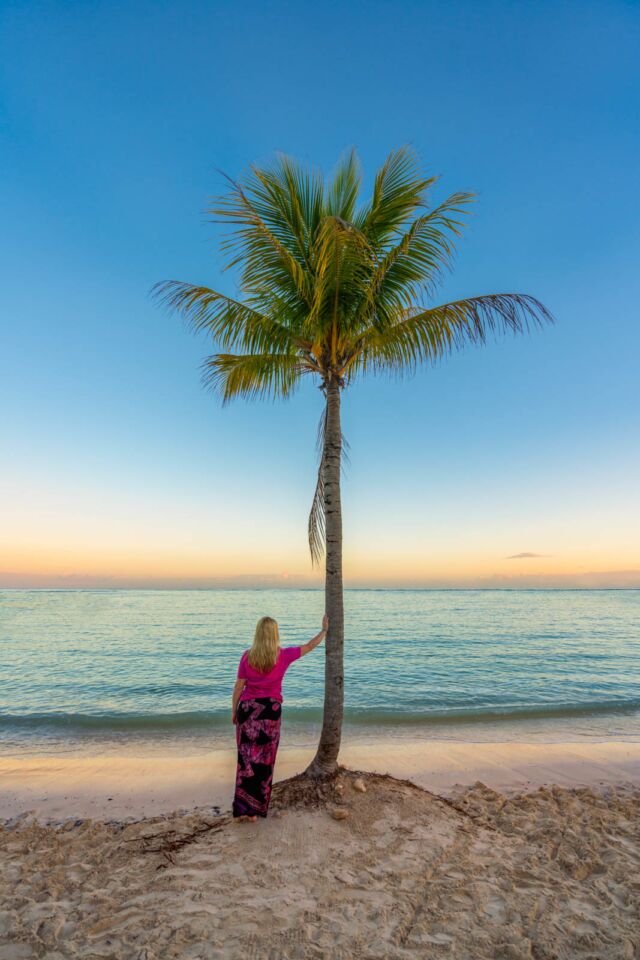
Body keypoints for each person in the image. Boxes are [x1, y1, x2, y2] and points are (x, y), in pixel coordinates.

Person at [231, 613, 328, 821]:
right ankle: (255, 811)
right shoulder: (282, 655)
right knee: (264, 761)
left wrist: (234, 711)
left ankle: (242, 809)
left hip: (248, 711)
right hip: (270, 713)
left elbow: (239, 686)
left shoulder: (247, 656)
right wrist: (324, 631)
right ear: (275, 635)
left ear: (258, 634)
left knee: (246, 760)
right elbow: (309, 646)